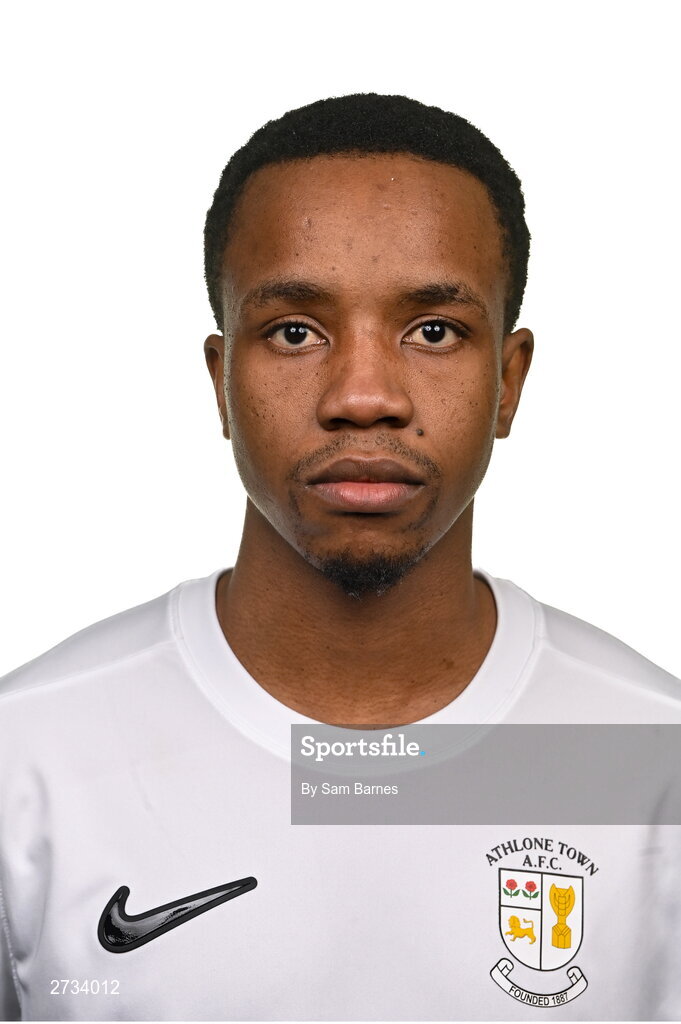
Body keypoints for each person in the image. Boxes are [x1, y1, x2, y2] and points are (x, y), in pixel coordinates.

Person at [0, 93, 679, 1022]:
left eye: (433, 330)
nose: (363, 396)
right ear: (222, 380)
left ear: (509, 382)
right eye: (295, 331)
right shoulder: (28, 754)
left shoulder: (650, 758)